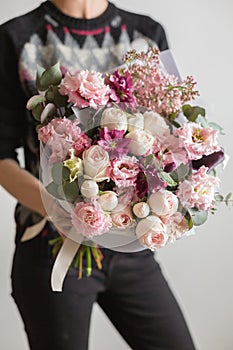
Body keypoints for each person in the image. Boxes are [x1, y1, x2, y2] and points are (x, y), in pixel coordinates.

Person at [0, 1, 196, 349]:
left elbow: (169, 140)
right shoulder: (18, 37)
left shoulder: (145, 35)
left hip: (130, 244)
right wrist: (62, 211)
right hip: (53, 243)